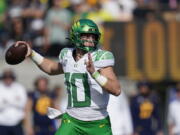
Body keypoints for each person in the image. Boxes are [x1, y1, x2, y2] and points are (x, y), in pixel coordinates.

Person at [15, 18, 121, 135]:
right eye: (86, 36)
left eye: (93, 37)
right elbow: (51, 68)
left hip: (97, 122)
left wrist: (94, 74)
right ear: (75, 36)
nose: (90, 40)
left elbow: (116, 89)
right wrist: (32, 53)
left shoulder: (100, 57)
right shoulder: (67, 55)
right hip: (72, 120)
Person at [0, 69, 27, 135]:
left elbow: (22, 104)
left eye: (10, 77)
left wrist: (6, 101)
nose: (8, 79)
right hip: (2, 124)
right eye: (5, 77)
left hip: (17, 123)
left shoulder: (20, 88)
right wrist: (15, 100)